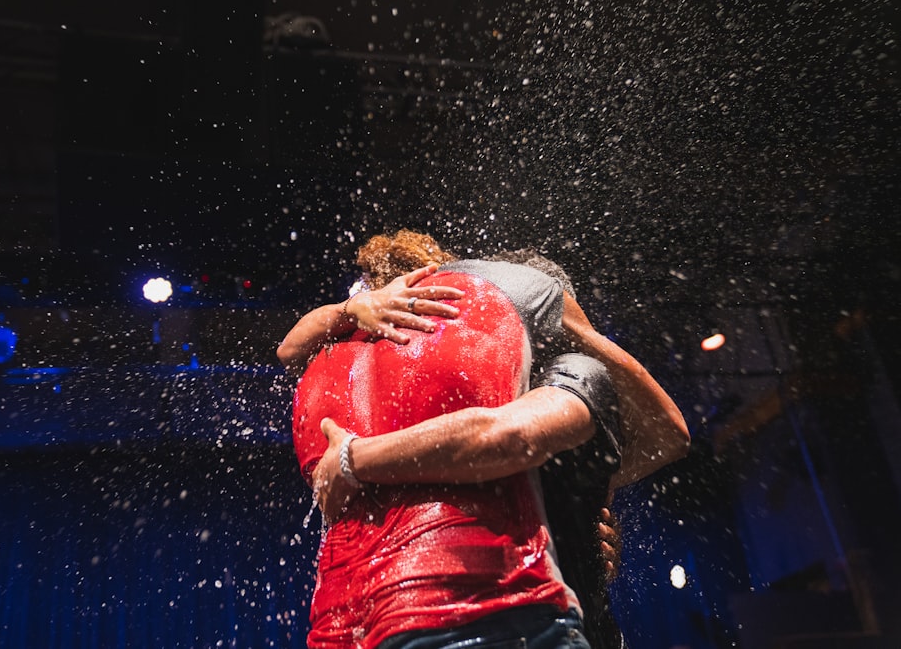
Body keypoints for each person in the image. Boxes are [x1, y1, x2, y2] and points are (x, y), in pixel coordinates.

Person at [278, 231, 689, 648]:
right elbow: (509, 436)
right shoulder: (509, 358)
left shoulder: (334, 364)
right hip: (501, 611)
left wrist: (584, 501)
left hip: (347, 626)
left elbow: (286, 351)